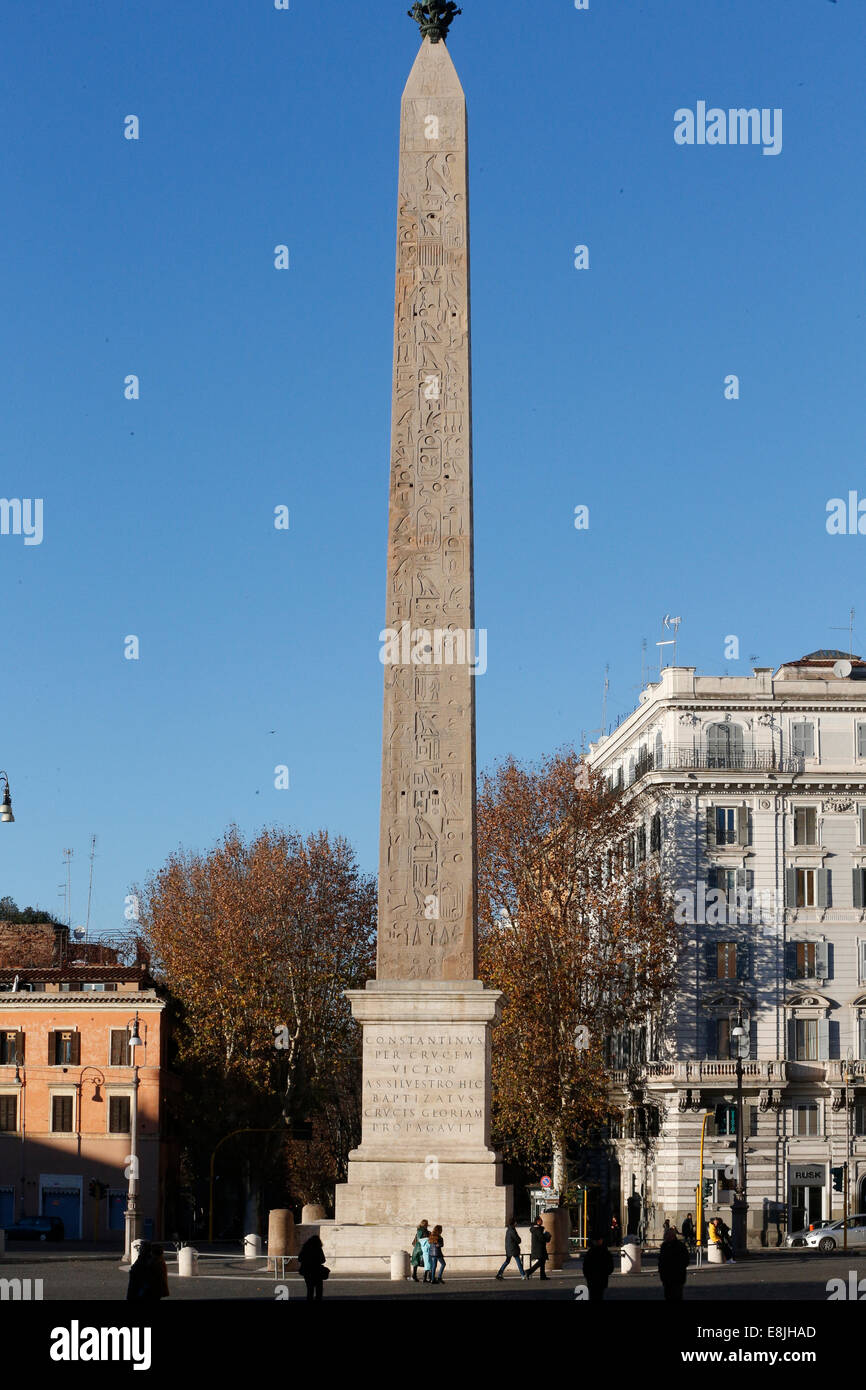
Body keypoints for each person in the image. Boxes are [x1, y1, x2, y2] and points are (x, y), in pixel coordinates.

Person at [657, 1228, 690, 1301]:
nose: (664, 1237)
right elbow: (661, 1260)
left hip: (677, 1277)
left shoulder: (680, 1246)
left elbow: (686, 1260)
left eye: (666, 1235)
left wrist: (678, 1269)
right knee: (668, 1296)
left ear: (672, 1236)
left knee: (676, 1296)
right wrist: (661, 1271)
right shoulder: (664, 1246)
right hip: (666, 1277)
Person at [582, 1234, 614, 1302]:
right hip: (602, 1278)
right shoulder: (605, 1252)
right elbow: (610, 1266)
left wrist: (587, 1276)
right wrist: (606, 1273)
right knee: (599, 1295)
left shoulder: (590, 1252)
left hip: (592, 1279)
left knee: (593, 1295)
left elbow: (585, 1266)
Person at [298, 1233, 328, 1301]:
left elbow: (299, 1259)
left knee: (310, 1290)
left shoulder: (305, 1249)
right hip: (317, 1271)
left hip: (307, 1271)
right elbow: (323, 1260)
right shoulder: (318, 1249)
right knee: (319, 1291)